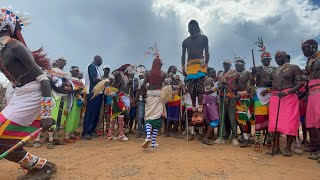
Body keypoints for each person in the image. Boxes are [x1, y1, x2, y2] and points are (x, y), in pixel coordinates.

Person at [0, 8, 56, 179]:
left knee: (3, 142)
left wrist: (46, 114)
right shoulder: (2, 51)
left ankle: (46, 167)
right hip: (20, 95)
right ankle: (39, 166)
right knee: (7, 144)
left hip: (34, 95)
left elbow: (44, 79)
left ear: (5, 26)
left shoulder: (16, 47)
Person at [268, 51, 302, 156]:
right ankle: (276, 147)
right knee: (275, 123)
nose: (277, 59)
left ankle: (288, 148)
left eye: (280, 57)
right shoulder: (274, 71)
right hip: (275, 98)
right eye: (276, 57)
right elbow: (271, 84)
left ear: (285, 57)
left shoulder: (294, 68)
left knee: (290, 122)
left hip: (289, 97)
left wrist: (287, 92)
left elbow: (301, 83)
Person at [181, 20, 209, 124]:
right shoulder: (185, 41)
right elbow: (183, 56)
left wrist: (206, 66)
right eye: (190, 26)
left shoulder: (204, 38)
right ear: (188, 28)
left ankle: (200, 111)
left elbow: (207, 52)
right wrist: (183, 68)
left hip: (201, 65)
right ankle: (194, 112)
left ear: (197, 27)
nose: (191, 27)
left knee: (200, 90)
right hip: (190, 66)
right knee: (192, 91)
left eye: (193, 25)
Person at [250, 41, 275, 152]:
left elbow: (277, 84)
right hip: (259, 96)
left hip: (271, 95)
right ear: (261, 60)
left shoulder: (275, 70)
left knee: (270, 118)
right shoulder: (257, 69)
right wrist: (253, 74)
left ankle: (269, 141)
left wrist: (269, 90)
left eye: (267, 59)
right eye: (264, 59)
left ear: (270, 59)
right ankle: (257, 141)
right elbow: (251, 83)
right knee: (259, 118)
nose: (266, 60)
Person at [141, 50, 168, 149]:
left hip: (150, 95)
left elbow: (143, 85)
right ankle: (152, 142)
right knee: (157, 118)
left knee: (148, 117)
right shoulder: (163, 74)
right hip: (159, 96)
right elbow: (166, 86)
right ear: (160, 65)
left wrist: (142, 96)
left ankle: (148, 137)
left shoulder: (148, 73)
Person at [301, 39, 320, 160]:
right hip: (311, 93)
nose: (303, 52)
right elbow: (309, 77)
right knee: (311, 120)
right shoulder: (309, 61)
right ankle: (315, 145)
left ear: (313, 47)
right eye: (302, 50)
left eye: (305, 49)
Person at [215, 60, 239, 145]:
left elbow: (235, 87)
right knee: (221, 117)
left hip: (230, 97)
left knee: (232, 118)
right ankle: (222, 136)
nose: (225, 65)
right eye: (224, 63)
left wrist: (228, 92)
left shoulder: (234, 74)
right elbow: (218, 86)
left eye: (227, 64)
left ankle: (234, 137)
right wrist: (220, 86)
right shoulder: (221, 74)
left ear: (230, 65)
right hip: (221, 97)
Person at [234, 59, 254, 147]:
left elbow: (250, 87)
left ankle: (247, 138)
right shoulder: (236, 75)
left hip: (246, 98)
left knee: (244, 119)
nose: (237, 67)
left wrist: (242, 93)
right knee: (242, 119)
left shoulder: (249, 74)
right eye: (235, 66)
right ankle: (246, 137)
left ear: (243, 65)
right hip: (239, 98)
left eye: (238, 66)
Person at [82, 55, 103, 140]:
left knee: (96, 113)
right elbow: (94, 79)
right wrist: (103, 81)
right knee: (90, 113)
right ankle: (86, 132)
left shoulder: (96, 68)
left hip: (98, 93)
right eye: (101, 61)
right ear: (97, 60)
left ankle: (92, 130)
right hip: (92, 93)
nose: (101, 62)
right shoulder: (91, 67)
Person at [64, 66, 85, 143]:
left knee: (76, 118)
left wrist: (81, 93)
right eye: (75, 70)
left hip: (78, 102)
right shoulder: (68, 79)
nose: (76, 72)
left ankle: (72, 135)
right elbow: (74, 91)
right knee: (71, 118)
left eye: (77, 71)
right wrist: (81, 98)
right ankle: (66, 136)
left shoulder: (79, 81)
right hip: (72, 101)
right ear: (71, 71)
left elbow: (82, 90)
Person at [202, 68, 220, 145]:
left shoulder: (212, 80)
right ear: (209, 73)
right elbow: (207, 92)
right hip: (210, 100)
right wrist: (218, 88)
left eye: (215, 72)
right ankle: (206, 137)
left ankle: (209, 136)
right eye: (212, 72)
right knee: (216, 120)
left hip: (210, 100)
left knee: (209, 120)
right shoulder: (209, 79)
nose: (214, 73)